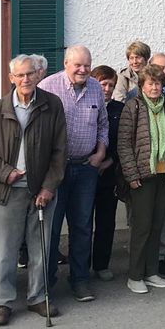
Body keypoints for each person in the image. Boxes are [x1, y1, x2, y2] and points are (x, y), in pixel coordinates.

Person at [0, 55, 67, 326]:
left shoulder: (52, 105)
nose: (26, 79)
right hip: (7, 191)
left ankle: (37, 297)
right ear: (11, 78)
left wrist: (49, 186)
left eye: (30, 74)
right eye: (20, 75)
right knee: (5, 250)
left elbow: (59, 150)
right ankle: (2, 301)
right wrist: (6, 173)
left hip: (40, 190)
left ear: (38, 75)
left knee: (41, 247)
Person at [39, 45, 109, 303]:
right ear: (66, 63)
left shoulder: (95, 89)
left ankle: (80, 280)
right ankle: (46, 284)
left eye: (87, 65)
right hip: (55, 170)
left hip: (86, 168)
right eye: (77, 65)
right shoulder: (48, 87)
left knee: (82, 226)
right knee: (52, 228)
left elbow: (103, 123)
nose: (83, 70)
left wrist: (100, 152)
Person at [118, 64, 165, 293]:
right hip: (142, 176)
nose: (154, 87)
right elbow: (124, 145)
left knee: (158, 224)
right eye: (150, 83)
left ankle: (151, 272)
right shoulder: (133, 107)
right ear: (142, 86)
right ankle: (135, 275)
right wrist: (131, 174)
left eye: (158, 83)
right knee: (142, 226)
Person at [90, 65, 124, 281]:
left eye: (111, 85)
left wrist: (110, 160)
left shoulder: (120, 109)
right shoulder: (85, 105)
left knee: (106, 222)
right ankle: (80, 266)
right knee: (82, 223)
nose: (107, 89)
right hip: (84, 171)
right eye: (103, 84)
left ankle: (101, 264)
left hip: (109, 173)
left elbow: (124, 141)